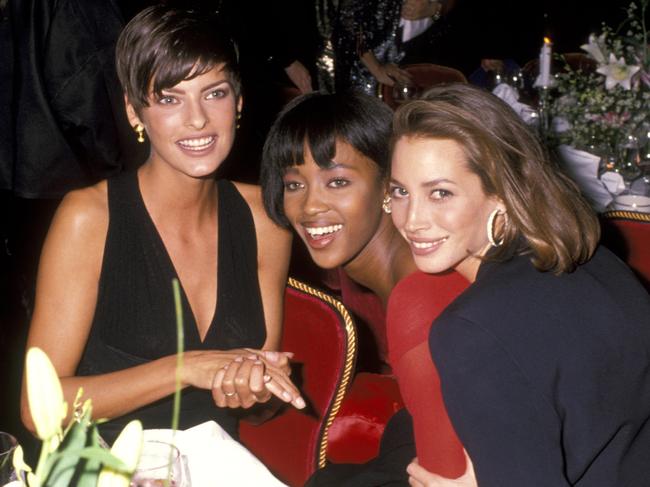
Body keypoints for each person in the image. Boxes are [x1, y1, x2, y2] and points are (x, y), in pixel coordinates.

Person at [20, 3, 305, 446]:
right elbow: (40, 409)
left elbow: (263, 410)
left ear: (240, 101)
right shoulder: (90, 219)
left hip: (213, 465)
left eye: (215, 93)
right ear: (135, 112)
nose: (197, 119)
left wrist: (258, 388)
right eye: (170, 98)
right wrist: (184, 368)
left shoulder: (267, 219)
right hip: (106, 466)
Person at [389, 82, 650, 485]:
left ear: (501, 196)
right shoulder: (596, 258)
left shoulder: (471, 331)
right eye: (400, 191)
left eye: (440, 193)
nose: (411, 220)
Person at [260, 90, 468, 485]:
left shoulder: (421, 292)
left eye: (337, 181)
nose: (309, 207)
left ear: (390, 186)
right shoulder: (358, 269)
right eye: (293, 184)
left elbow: (452, 465)